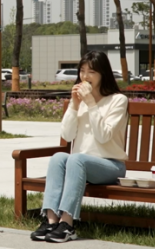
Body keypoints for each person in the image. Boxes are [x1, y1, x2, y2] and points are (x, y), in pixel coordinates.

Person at [31, 51, 128, 243]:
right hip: (80, 164)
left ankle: (67, 224)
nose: (85, 76)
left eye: (91, 71)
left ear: (103, 74)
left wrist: (91, 103)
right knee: (59, 157)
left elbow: (103, 136)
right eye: (82, 71)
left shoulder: (118, 100)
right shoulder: (81, 102)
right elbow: (67, 135)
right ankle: (51, 220)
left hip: (110, 165)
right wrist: (74, 106)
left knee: (75, 158)